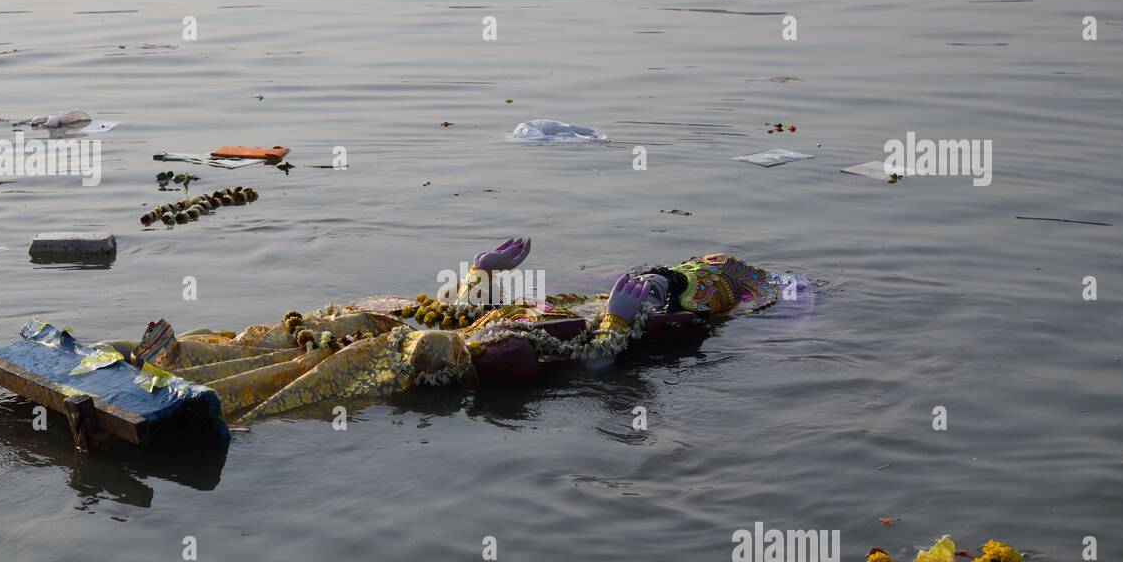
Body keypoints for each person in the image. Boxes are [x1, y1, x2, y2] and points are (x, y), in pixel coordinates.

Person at [127, 239, 780, 422]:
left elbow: (594, 365)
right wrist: (481, 273)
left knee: (342, 364)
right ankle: (183, 354)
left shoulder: (641, 319)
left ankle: (213, 397)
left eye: (666, 285)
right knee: (334, 324)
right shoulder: (592, 297)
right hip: (432, 323)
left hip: (445, 356)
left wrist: (620, 318)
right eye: (655, 277)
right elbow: (467, 309)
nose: (651, 283)